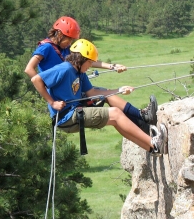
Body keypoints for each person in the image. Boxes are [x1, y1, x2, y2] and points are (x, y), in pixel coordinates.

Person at [31, 39, 168, 156]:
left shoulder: (80, 72)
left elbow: (92, 92)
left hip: (74, 111)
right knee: (115, 114)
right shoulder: (64, 69)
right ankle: (153, 143)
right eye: (89, 62)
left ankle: (148, 134)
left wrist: (119, 90)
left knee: (108, 101)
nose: (91, 65)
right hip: (65, 117)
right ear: (81, 60)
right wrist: (52, 103)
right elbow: (36, 80)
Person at [25, 16, 158, 135]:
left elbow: (85, 59)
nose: (70, 43)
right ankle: (142, 119)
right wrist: (47, 89)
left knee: (105, 93)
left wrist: (112, 66)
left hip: (73, 86)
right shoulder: (46, 48)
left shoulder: (65, 48)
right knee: (104, 95)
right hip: (62, 92)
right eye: (69, 39)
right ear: (60, 34)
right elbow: (29, 69)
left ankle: (142, 118)